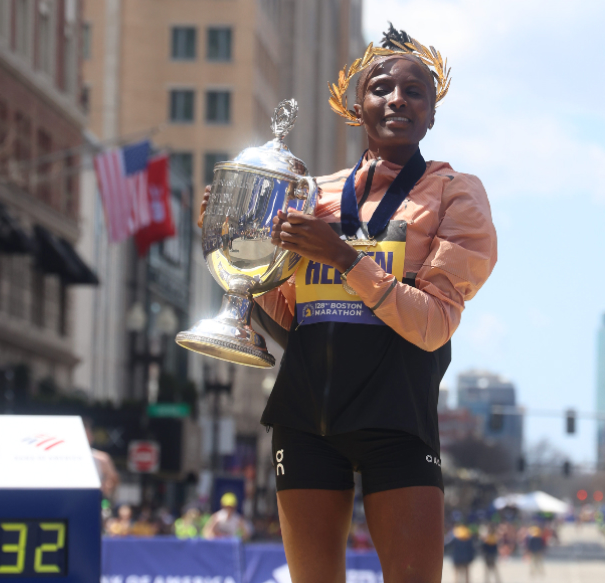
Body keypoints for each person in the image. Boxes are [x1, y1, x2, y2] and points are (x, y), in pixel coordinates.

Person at [197, 24, 496, 583]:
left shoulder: (455, 193)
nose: (397, 99)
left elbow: (432, 325)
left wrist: (345, 258)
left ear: (432, 113)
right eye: (381, 87)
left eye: (415, 92)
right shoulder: (313, 194)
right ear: (356, 105)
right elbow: (292, 319)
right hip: (305, 415)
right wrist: (232, 244)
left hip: (397, 416)